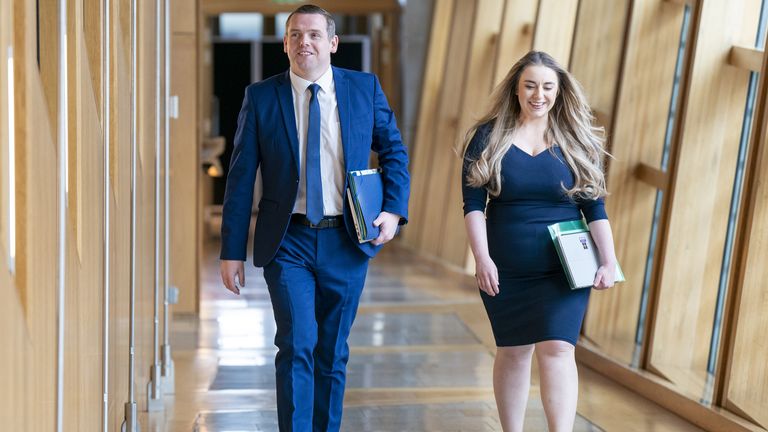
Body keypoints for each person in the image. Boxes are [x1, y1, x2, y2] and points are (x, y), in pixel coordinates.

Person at [219, 5, 410, 431]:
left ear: (332, 43)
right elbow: (240, 177)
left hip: (347, 238)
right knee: (297, 343)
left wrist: (394, 211)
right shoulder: (262, 97)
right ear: (285, 44)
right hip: (289, 240)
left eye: (314, 35)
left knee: (332, 351)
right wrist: (231, 251)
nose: (305, 42)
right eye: (295, 35)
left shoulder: (364, 89)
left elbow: (394, 151)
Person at [461, 50, 617, 432]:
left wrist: (609, 260)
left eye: (547, 87)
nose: (538, 94)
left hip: (563, 268)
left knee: (559, 350)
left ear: (559, 91)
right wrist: (481, 258)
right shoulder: (488, 136)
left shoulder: (577, 141)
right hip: (505, 266)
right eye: (530, 85)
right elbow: (473, 206)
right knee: (513, 351)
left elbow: (595, 209)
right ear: (516, 89)